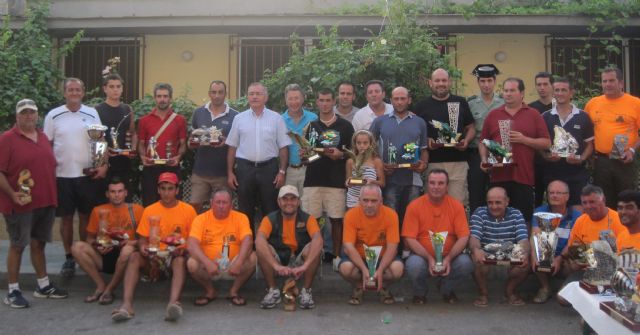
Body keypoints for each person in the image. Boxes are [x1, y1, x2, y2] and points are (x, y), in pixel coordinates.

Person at [0, 99, 67, 308]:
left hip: (44, 201)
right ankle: (12, 291)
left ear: (37, 115)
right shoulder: (7, 139)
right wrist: (12, 194)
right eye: (24, 112)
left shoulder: (43, 137)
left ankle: (43, 285)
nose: (28, 116)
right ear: (17, 116)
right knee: (18, 245)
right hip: (19, 203)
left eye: (32, 112)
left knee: (39, 244)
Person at [111, 172, 196, 322]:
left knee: (180, 261)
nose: (166, 192)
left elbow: (194, 241)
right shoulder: (150, 210)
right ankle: (127, 305)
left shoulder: (188, 210)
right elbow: (142, 239)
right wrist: (143, 246)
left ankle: (173, 304)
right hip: (153, 257)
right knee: (135, 256)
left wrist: (183, 248)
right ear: (158, 190)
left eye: (170, 188)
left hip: (174, 257)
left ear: (177, 190)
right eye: (163, 188)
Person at [44, 77, 106, 277]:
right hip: (62, 176)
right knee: (66, 219)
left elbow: (101, 141)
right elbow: (46, 146)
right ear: (64, 93)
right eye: (70, 90)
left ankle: (84, 254)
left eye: (77, 90)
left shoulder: (92, 112)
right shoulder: (53, 115)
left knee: (86, 218)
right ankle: (69, 256)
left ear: (83, 92)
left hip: (86, 175)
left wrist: (102, 165)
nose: (74, 93)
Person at [479, 77, 551, 224]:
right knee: (497, 219)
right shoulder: (493, 115)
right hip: (498, 176)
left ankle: (523, 247)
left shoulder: (533, 114)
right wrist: (484, 160)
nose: (508, 94)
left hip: (523, 176)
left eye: (512, 90)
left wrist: (525, 140)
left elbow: (546, 143)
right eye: (505, 91)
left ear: (522, 93)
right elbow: (483, 141)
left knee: (523, 220)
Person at [226, 82, 291, 233]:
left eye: (258, 94)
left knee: (270, 209)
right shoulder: (239, 118)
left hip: (269, 169)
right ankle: (249, 247)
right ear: (247, 97)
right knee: (245, 209)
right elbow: (232, 147)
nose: (254, 97)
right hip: (244, 169)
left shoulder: (276, 119)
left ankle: (270, 246)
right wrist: (230, 172)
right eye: (251, 94)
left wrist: (282, 171)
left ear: (266, 97)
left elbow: (283, 147)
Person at [403, 169, 474, 305]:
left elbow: (464, 237)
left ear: (447, 187)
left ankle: (446, 288)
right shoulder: (414, 206)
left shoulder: (457, 206)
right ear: (426, 185)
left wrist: (448, 259)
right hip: (422, 257)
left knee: (466, 264)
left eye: (441, 183)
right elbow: (409, 238)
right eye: (432, 183)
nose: (436, 187)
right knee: (414, 265)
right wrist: (429, 259)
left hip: (450, 256)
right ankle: (420, 292)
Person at [302, 88, 354, 270]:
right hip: (313, 180)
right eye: (321, 100)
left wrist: (340, 155)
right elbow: (309, 158)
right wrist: (309, 155)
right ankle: (314, 254)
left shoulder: (346, 127)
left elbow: (353, 155)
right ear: (317, 102)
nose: (324, 104)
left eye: (328, 100)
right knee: (312, 220)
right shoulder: (310, 127)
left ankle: (337, 256)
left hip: (336, 180)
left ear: (334, 102)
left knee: (337, 220)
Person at [71, 177, 143, 305]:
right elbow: (89, 238)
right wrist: (97, 245)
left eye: (120, 191)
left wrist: (130, 243)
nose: (116, 195)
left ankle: (110, 289)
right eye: (113, 192)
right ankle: (100, 285)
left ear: (126, 193)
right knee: (77, 247)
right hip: (104, 255)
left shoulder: (137, 210)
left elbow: (143, 240)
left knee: (127, 251)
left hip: (126, 257)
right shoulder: (98, 210)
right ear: (107, 194)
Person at [255, 185, 323, 309]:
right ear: (279, 202)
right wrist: (276, 265)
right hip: (278, 260)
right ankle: (272, 290)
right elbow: (259, 239)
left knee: (314, 246)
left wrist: (305, 266)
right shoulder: (269, 219)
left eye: (293, 199)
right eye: (285, 199)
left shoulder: (309, 219)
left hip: (300, 260)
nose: (289, 202)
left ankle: (306, 291)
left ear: (298, 202)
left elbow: (318, 239)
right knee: (262, 247)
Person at [415, 68, 475, 206]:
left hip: (458, 162)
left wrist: (466, 140)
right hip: (432, 162)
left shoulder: (461, 102)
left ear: (449, 82)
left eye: (444, 80)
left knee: (458, 204)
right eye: (437, 80)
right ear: (430, 83)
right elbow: (414, 132)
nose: (441, 83)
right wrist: (425, 140)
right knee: (432, 204)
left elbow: (471, 127)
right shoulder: (421, 106)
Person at [187, 187, 255, 307]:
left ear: (232, 204)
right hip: (209, 266)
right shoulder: (200, 219)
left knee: (253, 257)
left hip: (234, 265)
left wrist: (239, 262)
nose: (221, 206)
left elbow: (248, 241)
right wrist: (207, 262)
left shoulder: (241, 218)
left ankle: (233, 291)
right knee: (191, 263)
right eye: (218, 202)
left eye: (225, 202)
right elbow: (192, 243)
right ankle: (210, 291)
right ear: (211, 203)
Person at [370, 86, 428, 228]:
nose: (400, 102)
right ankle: (393, 249)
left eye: (403, 98)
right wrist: (380, 166)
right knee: (390, 217)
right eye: (396, 99)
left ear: (409, 100)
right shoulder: (380, 122)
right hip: (389, 178)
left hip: (413, 178)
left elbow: (424, 149)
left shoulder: (419, 122)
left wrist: (423, 164)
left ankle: (408, 250)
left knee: (411, 217)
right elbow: (369, 148)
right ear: (391, 100)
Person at [339, 184, 404, 305]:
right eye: (365, 200)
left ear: (381, 201)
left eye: (374, 201)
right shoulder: (350, 215)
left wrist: (380, 270)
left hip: (382, 258)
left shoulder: (391, 215)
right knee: (345, 268)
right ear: (359, 200)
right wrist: (364, 270)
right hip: (359, 258)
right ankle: (359, 286)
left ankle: (383, 285)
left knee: (397, 269)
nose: (369, 205)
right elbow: (348, 246)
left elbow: (393, 248)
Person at [585, 67, 640, 209]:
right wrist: (588, 154)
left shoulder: (635, 103)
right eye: (604, 81)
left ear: (621, 83)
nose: (607, 84)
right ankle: (607, 231)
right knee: (603, 202)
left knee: (628, 202)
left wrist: (632, 151)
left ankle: (629, 231)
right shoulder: (592, 104)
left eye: (611, 81)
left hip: (625, 161)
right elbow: (586, 133)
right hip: (601, 161)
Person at [469, 187, 530, 307]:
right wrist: (476, 250)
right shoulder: (479, 213)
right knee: (474, 256)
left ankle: (510, 291)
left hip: (509, 259)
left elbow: (523, 240)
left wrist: (524, 252)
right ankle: (483, 293)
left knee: (526, 260)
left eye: (498, 202)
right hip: (486, 259)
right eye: (490, 202)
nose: (493, 206)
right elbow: (474, 238)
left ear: (507, 201)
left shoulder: (516, 214)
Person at [540, 78, 594, 211]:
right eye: (557, 90)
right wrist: (546, 156)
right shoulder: (545, 117)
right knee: (555, 209)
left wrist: (581, 158)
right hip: (553, 171)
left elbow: (590, 145)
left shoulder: (583, 116)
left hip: (576, 172)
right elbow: (540, 145)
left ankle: (577, 232)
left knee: (577, 210)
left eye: (563, 90)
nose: (560, 93)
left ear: (571, 93)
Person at [188, 80, 238, 213]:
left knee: (223, 211)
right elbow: (192, 137)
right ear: (209, 94)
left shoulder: (235, 116)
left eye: (220, 92)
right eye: (214, 92)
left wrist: (226, 141)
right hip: (200, 173)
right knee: (194, 211)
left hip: (222, 175)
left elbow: (238, 144)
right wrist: (193, 142)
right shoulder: (198, 112)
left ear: (225, 94)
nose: (217, 95)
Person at [530, 180, 580, 304]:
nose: (554, 195)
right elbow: (535, 235)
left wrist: (559, 258)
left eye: (558, 193)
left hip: (565, 255)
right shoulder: (540, 211)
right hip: (546, 252)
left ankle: (564, 289)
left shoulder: (577, 216)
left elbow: (573, 242)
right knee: (536, 254)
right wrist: (534, 255)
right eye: (551, 192)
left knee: (576, 259)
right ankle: (545, 288)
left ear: (567, 196)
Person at [137, 83, 187, 206]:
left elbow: (183, 144)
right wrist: (143, 157)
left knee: (174, 204)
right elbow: (141, 144)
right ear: (155, 98)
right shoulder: (144, 120)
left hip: (171, 167)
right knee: (150, 204)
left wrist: (178, 157)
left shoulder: (180, 120)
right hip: (151, 168)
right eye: (159, 96)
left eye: (165, 96)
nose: (162, 99)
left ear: (170, 98)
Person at [467, 64, 504, 213]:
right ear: (478, 82)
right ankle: (477, 227)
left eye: (489, 80)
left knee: (499, 191)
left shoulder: (503, 102)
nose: (486, 85)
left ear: (494, 81)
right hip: (475, 154)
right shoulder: (470, 103)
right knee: (476, 193)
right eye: (482, 81)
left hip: (499, 153)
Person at [95, 73, 137, 200]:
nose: (115, 89)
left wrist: (133, 149)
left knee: (125, 199)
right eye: (112, 86)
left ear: (122, 89)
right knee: (103, 199)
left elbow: (133, 133)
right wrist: (102, 159)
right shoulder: (97, 110)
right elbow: (95, 138)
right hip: (104, 162)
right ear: (105, 89)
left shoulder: (128, 109)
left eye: (118, 86)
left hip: (123, 161)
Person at [282, 83, 317, 197]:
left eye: (297, 98)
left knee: (307, 206)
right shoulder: (280, 120)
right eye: (290, 99)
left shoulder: (313, 118)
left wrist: (310, 156)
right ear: (286, 100)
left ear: (302, 99)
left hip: (309, 169)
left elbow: (317, 147)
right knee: (288, 205)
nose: (294, 102)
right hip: (289, 170)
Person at [529, 72, 555, 208]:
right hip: (536, 161)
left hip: (557, 161)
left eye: (545, 84)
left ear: (552, 86)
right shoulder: (529, 108)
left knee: (556, 196)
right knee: (536, 198)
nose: (542, 88)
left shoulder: (560, 106)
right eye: (539, 84)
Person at [345, 130, 385, 209]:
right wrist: (348, 182)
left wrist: (371, 181)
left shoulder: (376, 161)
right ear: (355, 144)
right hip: (353, 199)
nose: (362, 145)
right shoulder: (350, 161)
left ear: (371, 144)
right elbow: (347, 182)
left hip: (370, 200)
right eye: (358, 143)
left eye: (365, 143)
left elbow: (382, 183)